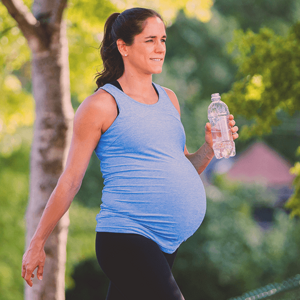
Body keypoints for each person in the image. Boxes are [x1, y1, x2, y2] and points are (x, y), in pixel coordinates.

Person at [21, 7, 239, 300]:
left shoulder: (169, 99)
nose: (160, 48)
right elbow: (70, 180)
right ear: (123, 46)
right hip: (126, 237)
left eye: (163, 39)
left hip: (165, 244)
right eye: (150, 40)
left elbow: (183, 167)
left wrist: (210, 149)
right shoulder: (101, 105)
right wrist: (38, 242)